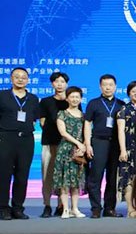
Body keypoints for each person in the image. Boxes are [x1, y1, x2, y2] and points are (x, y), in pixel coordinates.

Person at [0, 67, 40, 220]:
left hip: (26, 140)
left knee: (22, 175)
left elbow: (34, 119)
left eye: (23, 77)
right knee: (4, 175)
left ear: (28, 80)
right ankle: (3, 208)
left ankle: (18, 208)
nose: (20, 79)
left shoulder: (33, 98)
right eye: (17, 76)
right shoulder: (3, 95)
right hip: (6, 138)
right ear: (11, 79)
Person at [84, 74, 124, 218]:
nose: (108, 88)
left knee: (112, 178)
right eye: (105, 85)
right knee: (95, 176)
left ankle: (109, 208)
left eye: (111, 85)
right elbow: (87, 123)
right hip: (98, 142)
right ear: (100, 87)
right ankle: (95, 208)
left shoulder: (121, 104)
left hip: (115, 144)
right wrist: (88, 144)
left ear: (115, 87)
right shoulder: (93, 103)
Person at [53, 86, 87, 219]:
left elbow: (87, 132)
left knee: (76, 181)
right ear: (67, 98)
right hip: (65, 150)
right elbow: (63, 133)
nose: (74, 99)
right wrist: (78, 143)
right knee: (64, 181)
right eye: (72, 97)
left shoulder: (84, 116)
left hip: (79, 152)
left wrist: (83, 146)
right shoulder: (62, 114)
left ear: (81, 99)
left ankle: (75, 209)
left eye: (77, 97)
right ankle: (65, 209)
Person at [39, 71, 69, 218]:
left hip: (66, 144)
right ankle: (47, 205)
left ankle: (61, 205)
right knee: (47, 175)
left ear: (66, 84)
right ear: (52, 84)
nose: (59, 84)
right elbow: (42, 122)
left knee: (63, 176)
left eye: (62, 81)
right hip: (49, 143)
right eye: (57, 81)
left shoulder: (71, 100)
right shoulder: (45, 101)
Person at [116, 81, 136, 218]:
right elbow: (121, 131)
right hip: (129, 147)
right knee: (129, 178)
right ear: (128, 93)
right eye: (133, 91)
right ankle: (130, 209)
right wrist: (123, 150)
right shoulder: (124, 109)